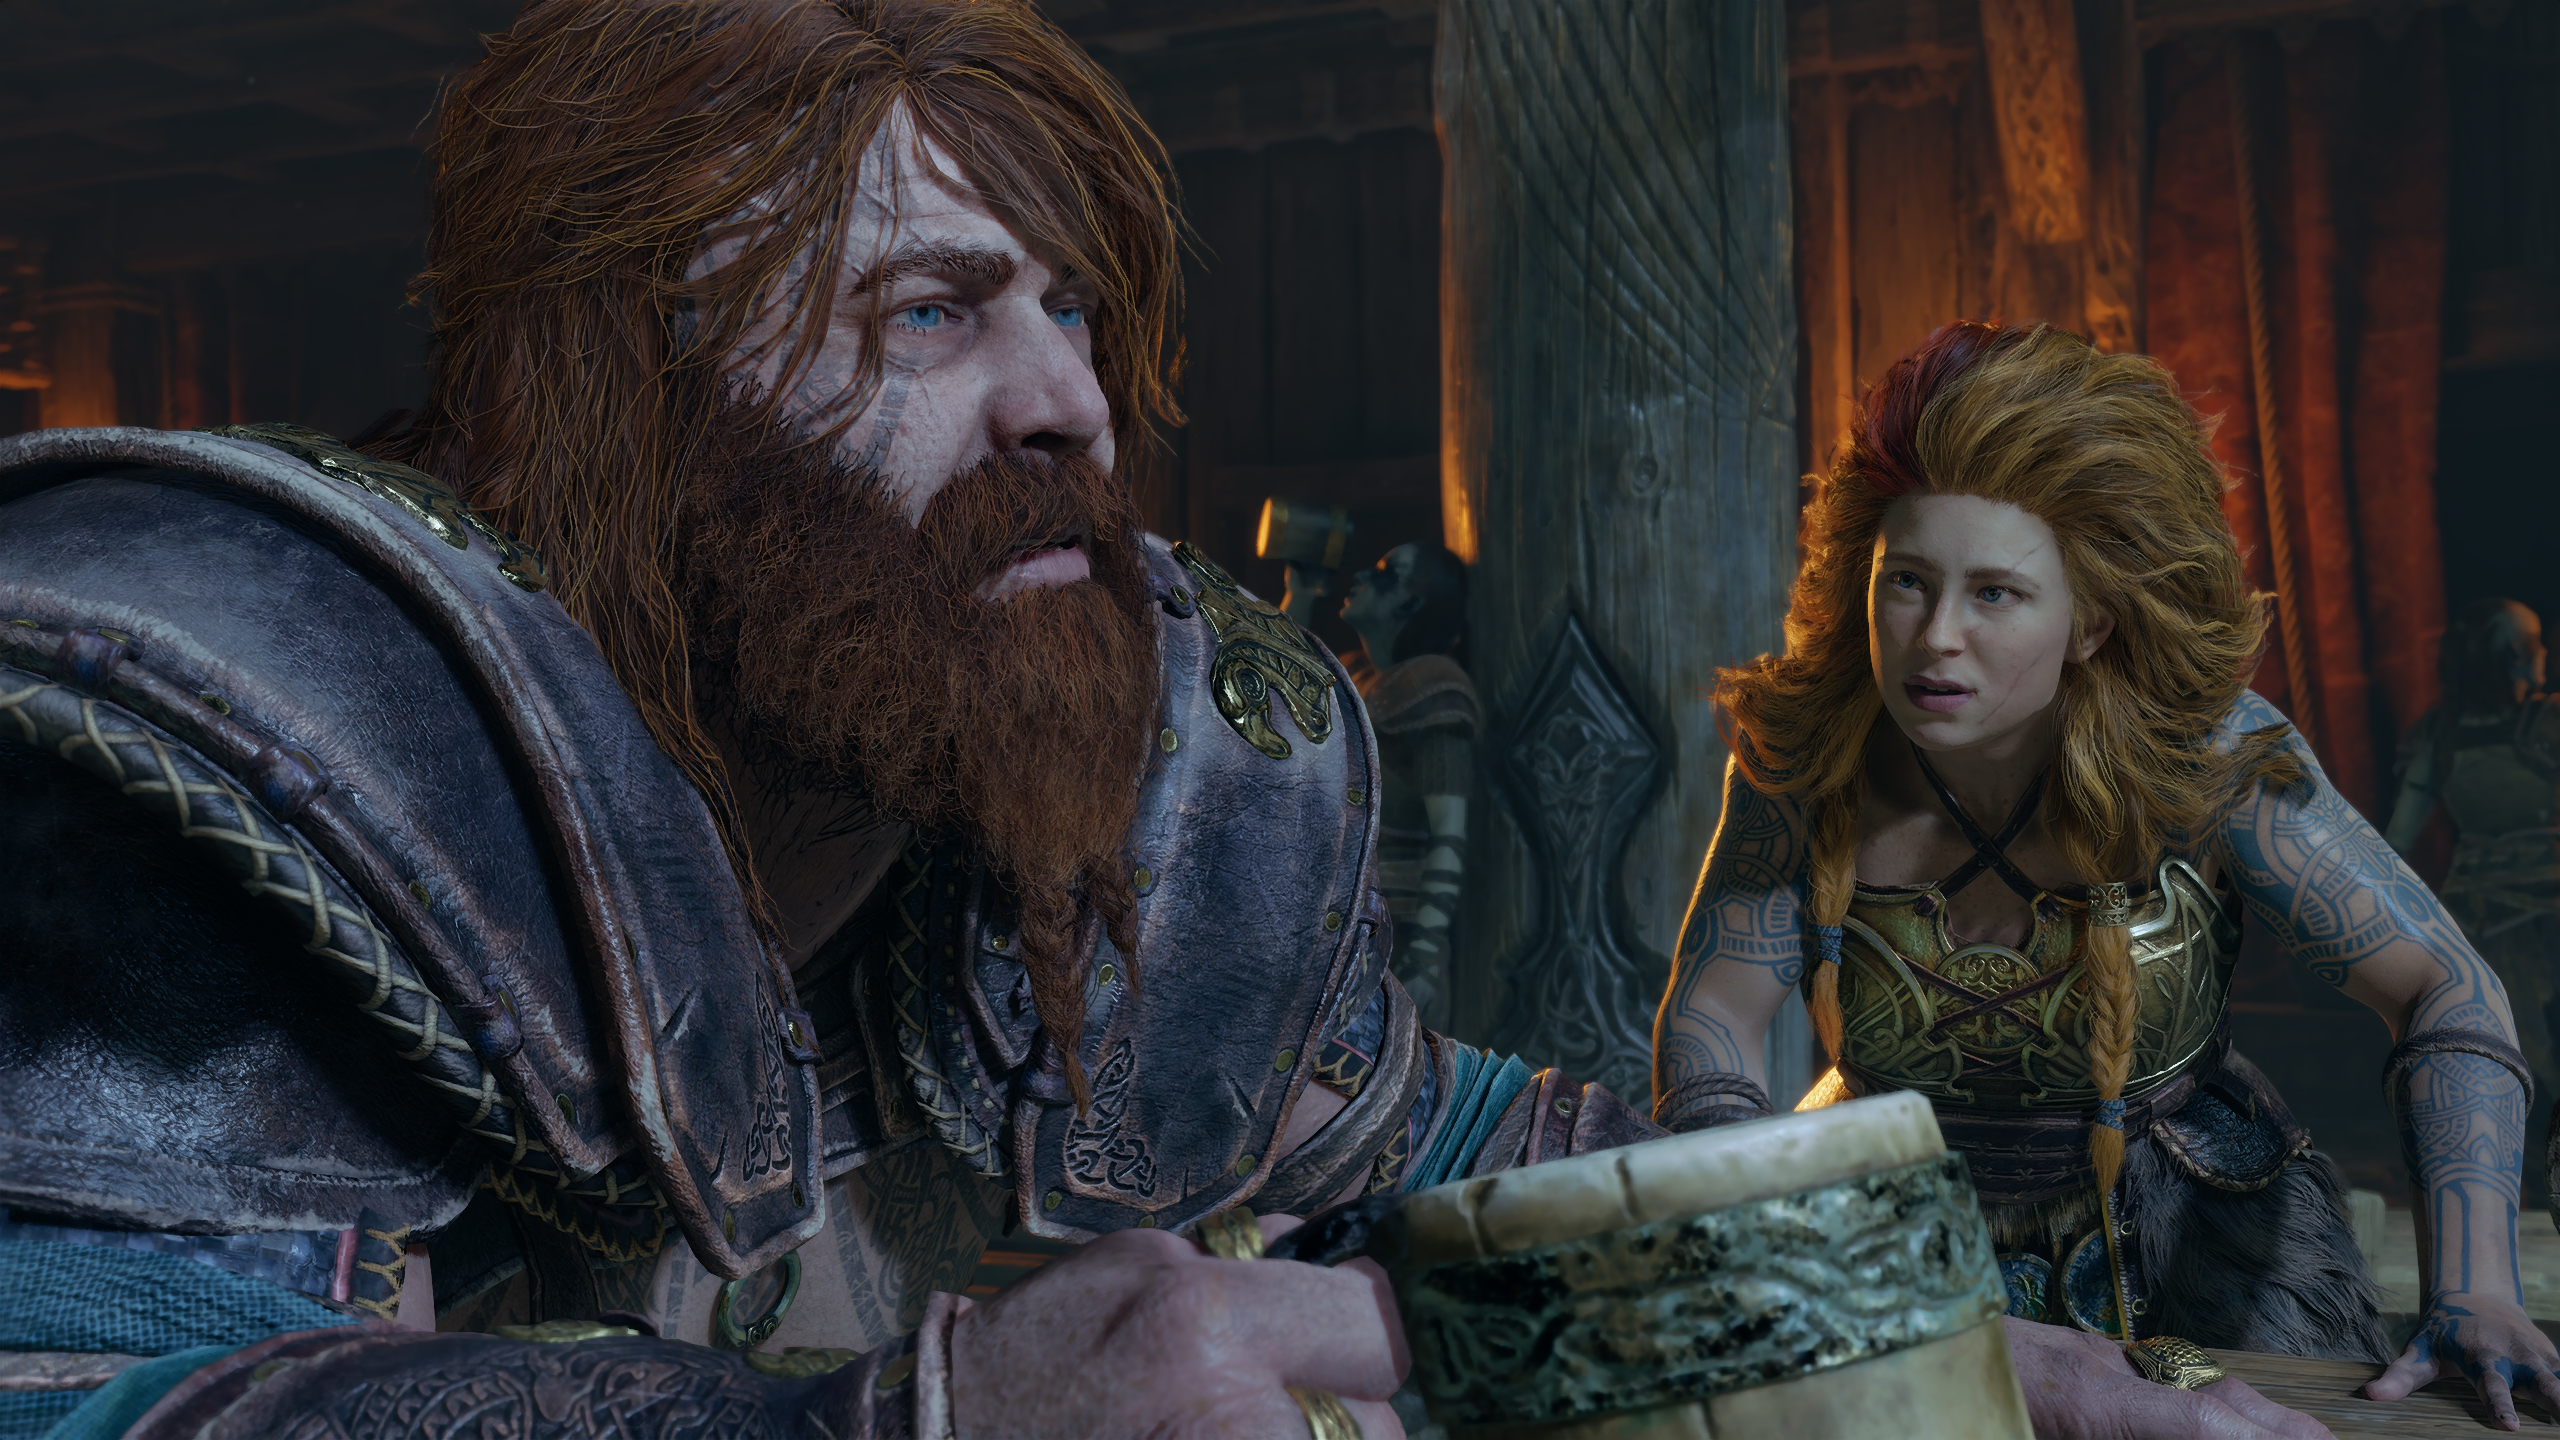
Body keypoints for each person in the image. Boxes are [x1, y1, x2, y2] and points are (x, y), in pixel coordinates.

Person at [0, 3, 1651, 1436]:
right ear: (620, 392)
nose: (1070, 404)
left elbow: (1458, 1152)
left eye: (1070, 307)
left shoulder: (1146, 775)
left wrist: (1736, 1219)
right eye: (931, 312)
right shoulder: (270, 767)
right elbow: (77, 1400)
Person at [1655, 321, 2556, 1432]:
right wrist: (1744, 1231)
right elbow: (1714, 1012)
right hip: (1883, 1232)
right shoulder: (1806, 762)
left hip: (2203, 1243)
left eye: (1995, 594)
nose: (1936, 638)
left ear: (2091, 620)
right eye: (1908, 582)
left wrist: (2475, 1287)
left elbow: (2442, 985)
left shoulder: (2208, 758)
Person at [2383, 597, 2560, 1154]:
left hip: (2475, 926)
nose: (2545, 651)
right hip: (2529, 923)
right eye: (2535, 642)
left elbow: (2395, 842)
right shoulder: (2546, 721)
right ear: (2514, 655)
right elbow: (2395, 844)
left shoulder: (2441, 734)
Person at [1337, 543, 1476, 1034]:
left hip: (1400, 939)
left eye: (1386, 572)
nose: (1362, 576)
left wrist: (1426, 955)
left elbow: (1448, 833)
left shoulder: (1433, 688)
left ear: (1411, 603)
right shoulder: (1350, 676)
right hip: (1340, 932)